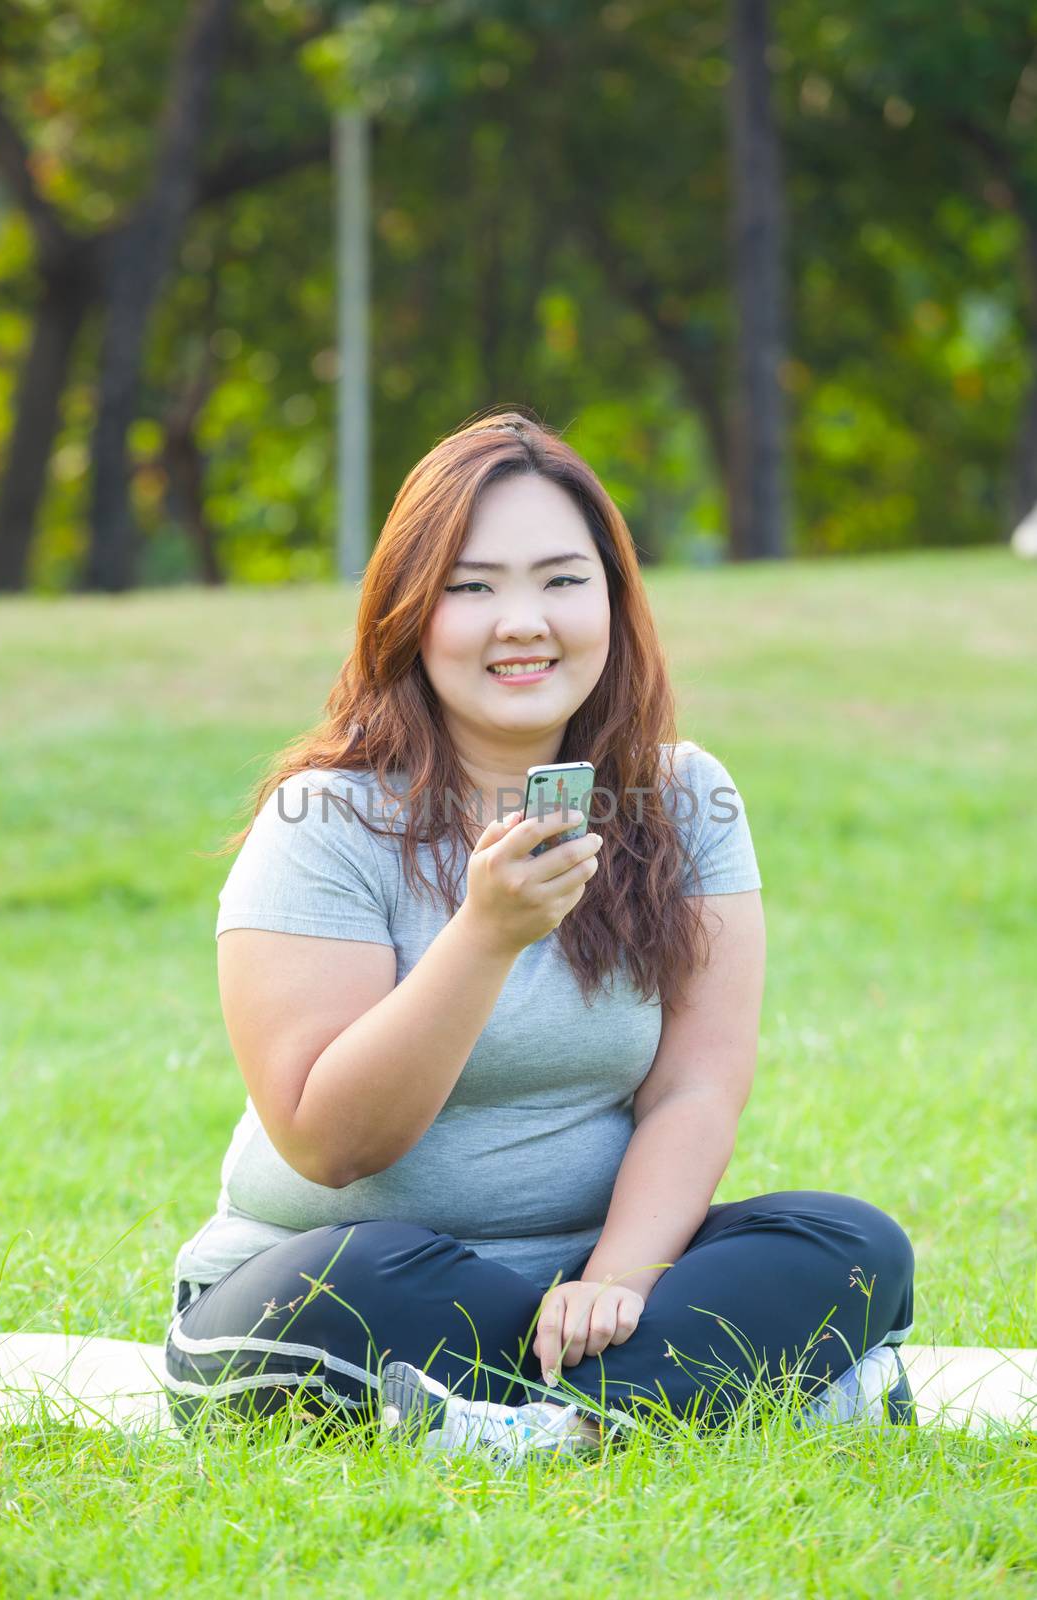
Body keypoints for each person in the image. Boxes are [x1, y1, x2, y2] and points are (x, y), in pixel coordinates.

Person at [163, 410, 916, 1465]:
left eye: (561, 579)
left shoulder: (683, 796)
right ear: (408, 613)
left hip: (594, 1282)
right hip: (345, 1268)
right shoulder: (322, 821)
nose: (521, 620)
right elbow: (330, 1143)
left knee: (846, 1244)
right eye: (471, 587)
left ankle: (537, 1426)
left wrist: (616, 1277)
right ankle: (715, 1395)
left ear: (611, 598)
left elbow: (695, 1086)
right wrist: (484, 935)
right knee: (357, 1283)